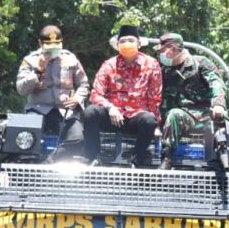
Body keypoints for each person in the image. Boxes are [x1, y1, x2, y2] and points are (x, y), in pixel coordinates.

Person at [83, 25, 162, 166]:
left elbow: (154, 96)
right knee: (90, 112)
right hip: (112, 117)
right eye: (123, 41)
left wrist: (157, 124)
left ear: (138, 43)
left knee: (149, 120)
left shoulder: (151, 64)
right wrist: (110, 107)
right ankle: (93, 156)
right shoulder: (109, 65)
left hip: (136, 118)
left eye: (131, 40)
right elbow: (95, 94)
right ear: (117, 45)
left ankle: (137, 158)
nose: (127, 44)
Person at [16, 25, 90, 161]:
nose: (54, 51)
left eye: (57, 47)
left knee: (78, 139)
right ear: (40, 43)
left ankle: (50, 162)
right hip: (38, 110)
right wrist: (38, 70)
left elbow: (83, 84)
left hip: (65, 111)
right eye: (50, 47)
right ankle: (31, 166)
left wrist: (78, 98)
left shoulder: (71, 59)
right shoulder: (30, 60)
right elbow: (21, 89)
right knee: (25, 138)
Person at [154, 32, 227, 169]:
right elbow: (163, 101)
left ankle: (221, 162)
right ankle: (166, 159)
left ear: (173, 49)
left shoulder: (199, 63)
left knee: (224, 135)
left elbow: (216, 83)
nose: (161, 55)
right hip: (185, 116)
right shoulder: (167, 72)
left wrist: (218, 105)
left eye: (163, 51)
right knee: (174, 114)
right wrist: (158, 124)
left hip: (208, 115)